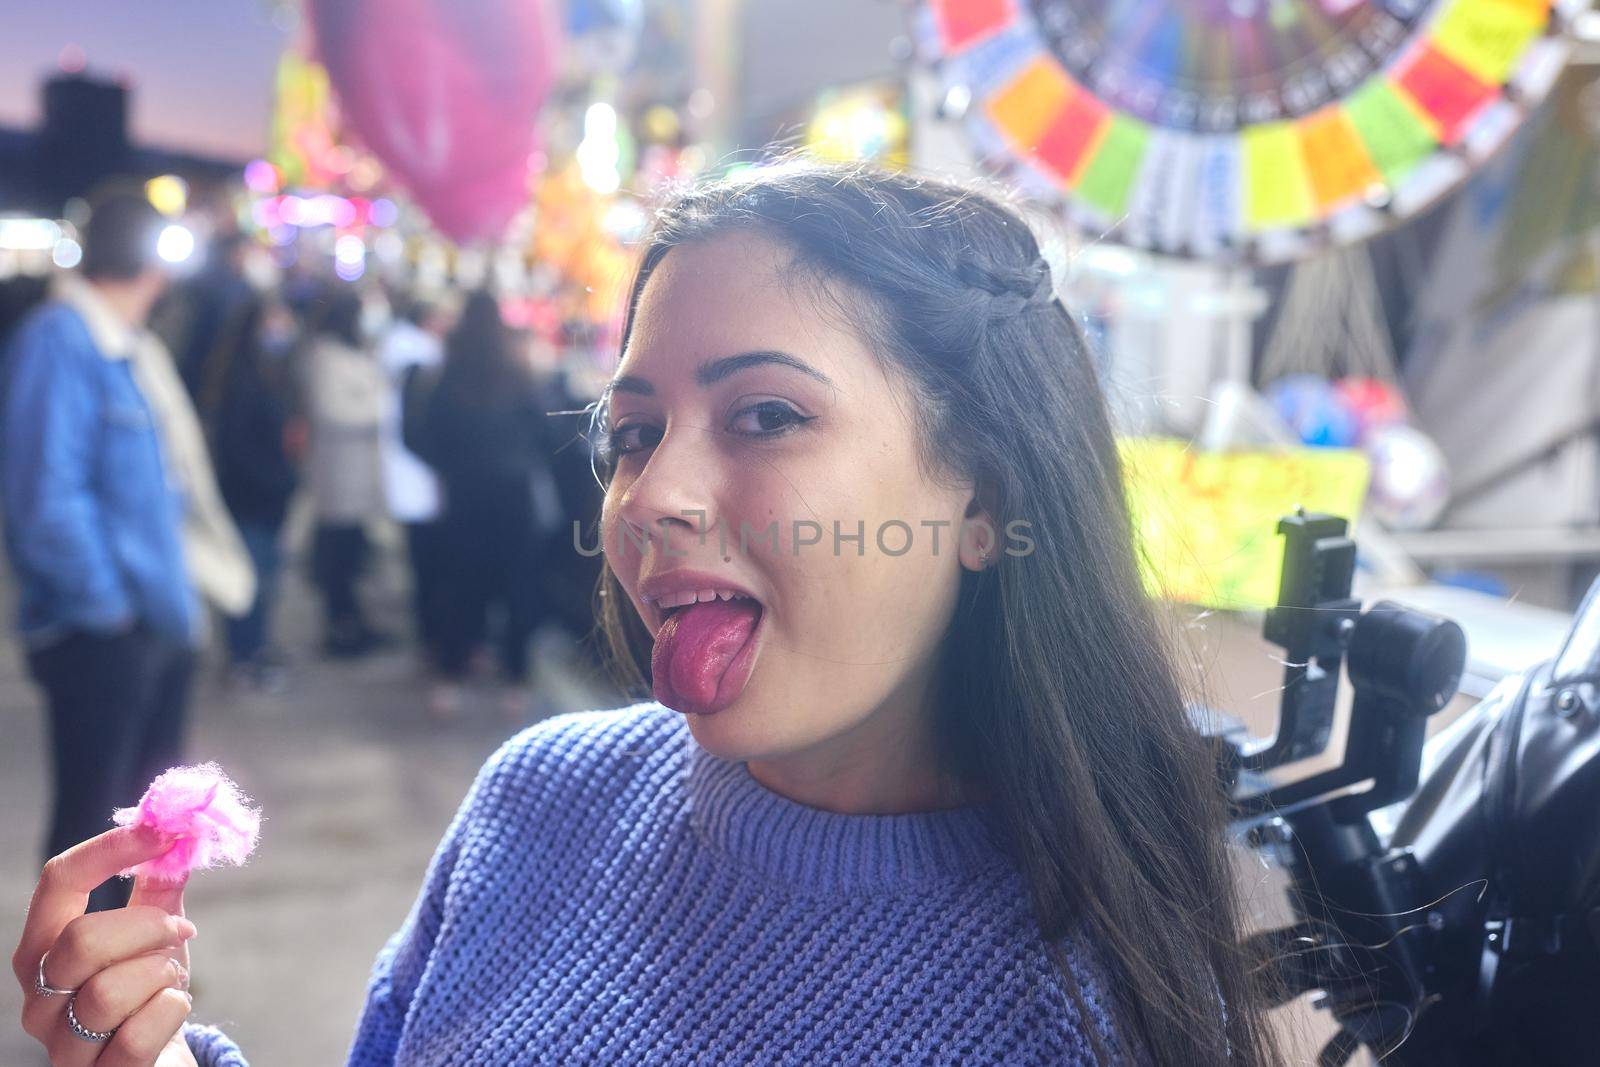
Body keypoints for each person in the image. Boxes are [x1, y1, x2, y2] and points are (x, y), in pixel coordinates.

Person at [14, 163, 1281, 1064]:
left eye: (767, 415)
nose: (650, 494)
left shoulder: (1100, 992)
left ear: (987, 494)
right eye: (632, 432)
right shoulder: (539, 798)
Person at [2, 191, 253, 916]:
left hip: (150, 620)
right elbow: (45, 500)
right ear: (152, 262)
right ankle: (81, 996)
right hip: (105, 633)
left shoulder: (124, 341)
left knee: (147, 830)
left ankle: (130, 976)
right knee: (93, 828)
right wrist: (110, 611)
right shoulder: (63, 339)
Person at [418, 289, 552, 719]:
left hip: (463, 495)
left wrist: (451, 469)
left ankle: (452, 676)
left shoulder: (449, 372)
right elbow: (545, 431)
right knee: (518, 588)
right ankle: (515, 680)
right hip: (513, 496)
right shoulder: (517, 369)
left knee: (461, 587)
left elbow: (426, 435)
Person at [212, 296, 304, 691]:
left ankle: (256, 649)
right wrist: (277, 480)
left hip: (269, 500)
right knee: (251, 580)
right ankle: (243, 658)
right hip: (251, 499)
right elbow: (238, 448)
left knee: (266, 579)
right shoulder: (241, 381)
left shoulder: (271, 374)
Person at [303, 288, 391, 658]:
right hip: (340, 471)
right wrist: (383, 413)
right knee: (338, 552)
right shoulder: (325, 357)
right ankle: (340, 627)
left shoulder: (358, 352)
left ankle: (354, 621)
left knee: (353, 550)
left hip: (359, 471)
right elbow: (335, 411)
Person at [377, 289, 456, 675]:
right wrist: (443, 465)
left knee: (431, 567)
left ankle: (435, 638)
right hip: (424, 485)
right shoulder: (418, 361)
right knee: (432, 568)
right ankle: (434, 640)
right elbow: (413, 428)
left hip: (421, 482)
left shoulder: (409, 355)